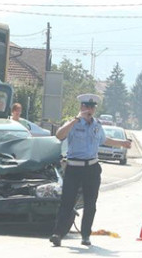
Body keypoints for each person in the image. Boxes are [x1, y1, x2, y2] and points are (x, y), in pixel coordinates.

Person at [49, 93, 132, 247]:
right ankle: (58, 234)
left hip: (92, 168)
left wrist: (122, 143)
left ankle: (86, 234)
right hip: (74, 167)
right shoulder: (73, 124)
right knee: (67, 202)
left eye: (92, 107)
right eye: (86, 106)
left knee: (90, 204)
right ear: (81, 107)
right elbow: (59, 135)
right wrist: (75, 119)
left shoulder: (97, 125)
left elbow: (104, 140)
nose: (89, 109)